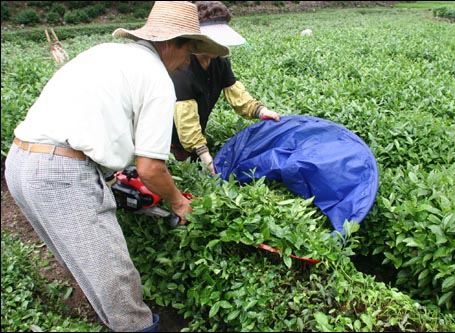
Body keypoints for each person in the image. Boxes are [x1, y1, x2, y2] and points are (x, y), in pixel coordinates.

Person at [4, 2, 229, 332]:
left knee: (83, 267)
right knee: (120, 290)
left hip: (20, 164)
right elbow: (151, 168)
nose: (187, 62)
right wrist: (179, 202)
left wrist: (111, 175)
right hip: (60, 175)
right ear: (170, 43)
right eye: (188, 50)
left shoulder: (107, 53)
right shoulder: (157, 78)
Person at [170, 1, 280, 175]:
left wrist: (261, 111)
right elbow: (185, 118)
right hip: (169, 138)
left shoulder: (220, 62)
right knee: (183, 174)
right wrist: (203, 153)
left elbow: (236, 93)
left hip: (194, 135)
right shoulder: (182, 66)